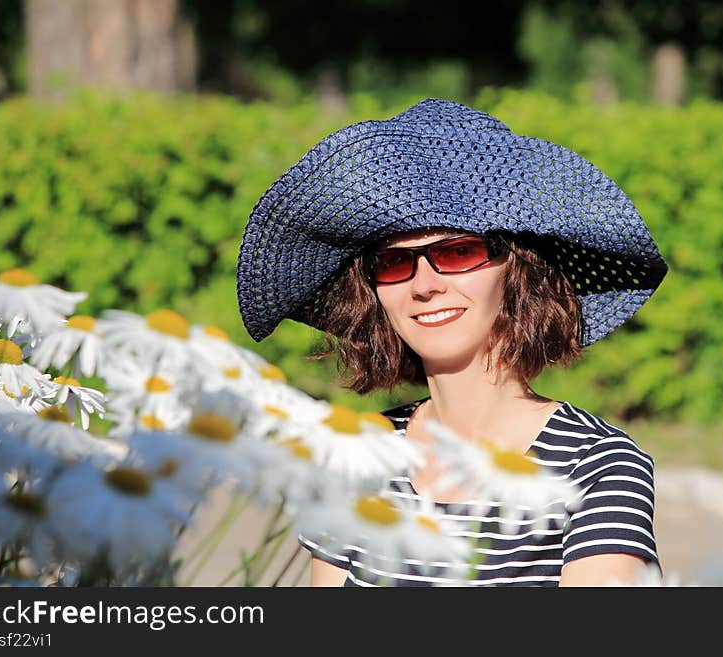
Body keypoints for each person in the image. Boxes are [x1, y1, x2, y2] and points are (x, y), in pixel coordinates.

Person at [236, 98, 669, 587]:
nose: (424, 285)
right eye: (396, 262)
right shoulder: (357, 458)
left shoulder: (597, 464)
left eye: (458, 252)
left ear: (521, 271)